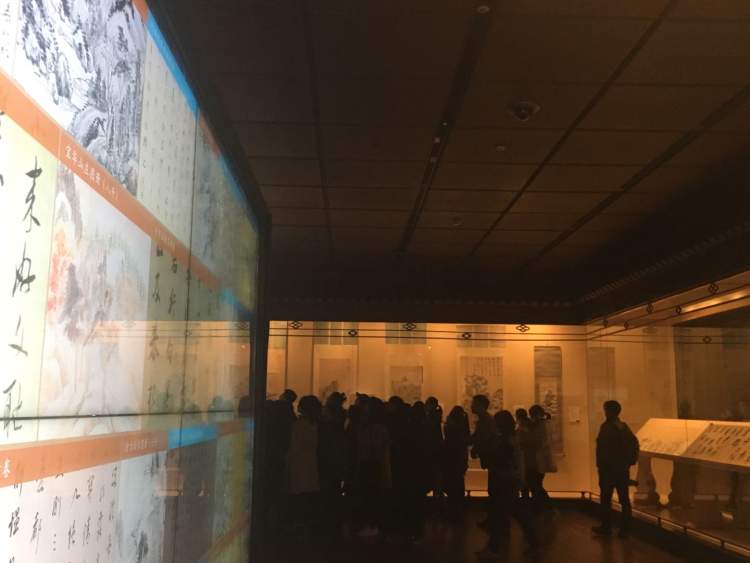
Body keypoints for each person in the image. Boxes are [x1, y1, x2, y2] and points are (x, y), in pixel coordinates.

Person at [592, 400, 637, 538]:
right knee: (623, 500)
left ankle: (607, 527)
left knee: (607, 499)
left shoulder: (609, 427)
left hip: (609, 470)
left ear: (610, 411)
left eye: (606, 410)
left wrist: (602, 465)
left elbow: (604, 449)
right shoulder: (621, 427)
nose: (605, 412)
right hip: (620, 469)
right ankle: (624, 529)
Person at [286, 395, 323, 538]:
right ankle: (307, 528)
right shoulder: (316, 425)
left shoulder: (298, 425)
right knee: (308, 499)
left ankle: (298, 528)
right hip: (311, 467)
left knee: (298, 500)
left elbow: (293, 449)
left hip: (298, 467)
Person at [528, 404, 555, 509]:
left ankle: (546, 507)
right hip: (540, 460)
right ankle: (543, 507)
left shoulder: (540, 425)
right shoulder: (545, 424)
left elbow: (538, 441)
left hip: (537, 460)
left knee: (535, 485)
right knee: (537, 484)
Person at [443, 406, 470, 512]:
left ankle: (453, 505)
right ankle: (459, 505)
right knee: (459, 480)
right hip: (460, 455)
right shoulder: (462, 426)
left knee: (452, 481)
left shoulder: (449, 425)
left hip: (450, 456)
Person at [425, 396, 445, 499]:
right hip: (437, 447)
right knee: (437, 474)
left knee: (434, 472)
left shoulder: (431, 417)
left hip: (433, 448)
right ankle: (438, 495)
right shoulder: (437, 416)